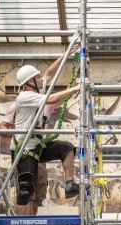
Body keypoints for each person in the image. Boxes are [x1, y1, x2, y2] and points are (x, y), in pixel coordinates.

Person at [10, 48, 80, 215]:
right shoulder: (25, 97)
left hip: (36, 147)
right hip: (24, 150)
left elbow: (49, 74)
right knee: (26, 192)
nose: (42, 80)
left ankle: (70, 183)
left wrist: (66, 55)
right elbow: (52, 98)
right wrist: (77, 87)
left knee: (66, 148)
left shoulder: (36, 91)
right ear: (30, 81)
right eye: (38, 77)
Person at [0, 102, 50, 208]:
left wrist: (74, 88)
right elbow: (3, 126)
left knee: (40, 187)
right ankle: (25, 222)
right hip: (23, 152)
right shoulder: (17, 106)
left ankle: (37, 222)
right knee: (26, 191)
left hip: (38, 152)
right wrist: (18, 135)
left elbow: (60, 99)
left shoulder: (45, 104)